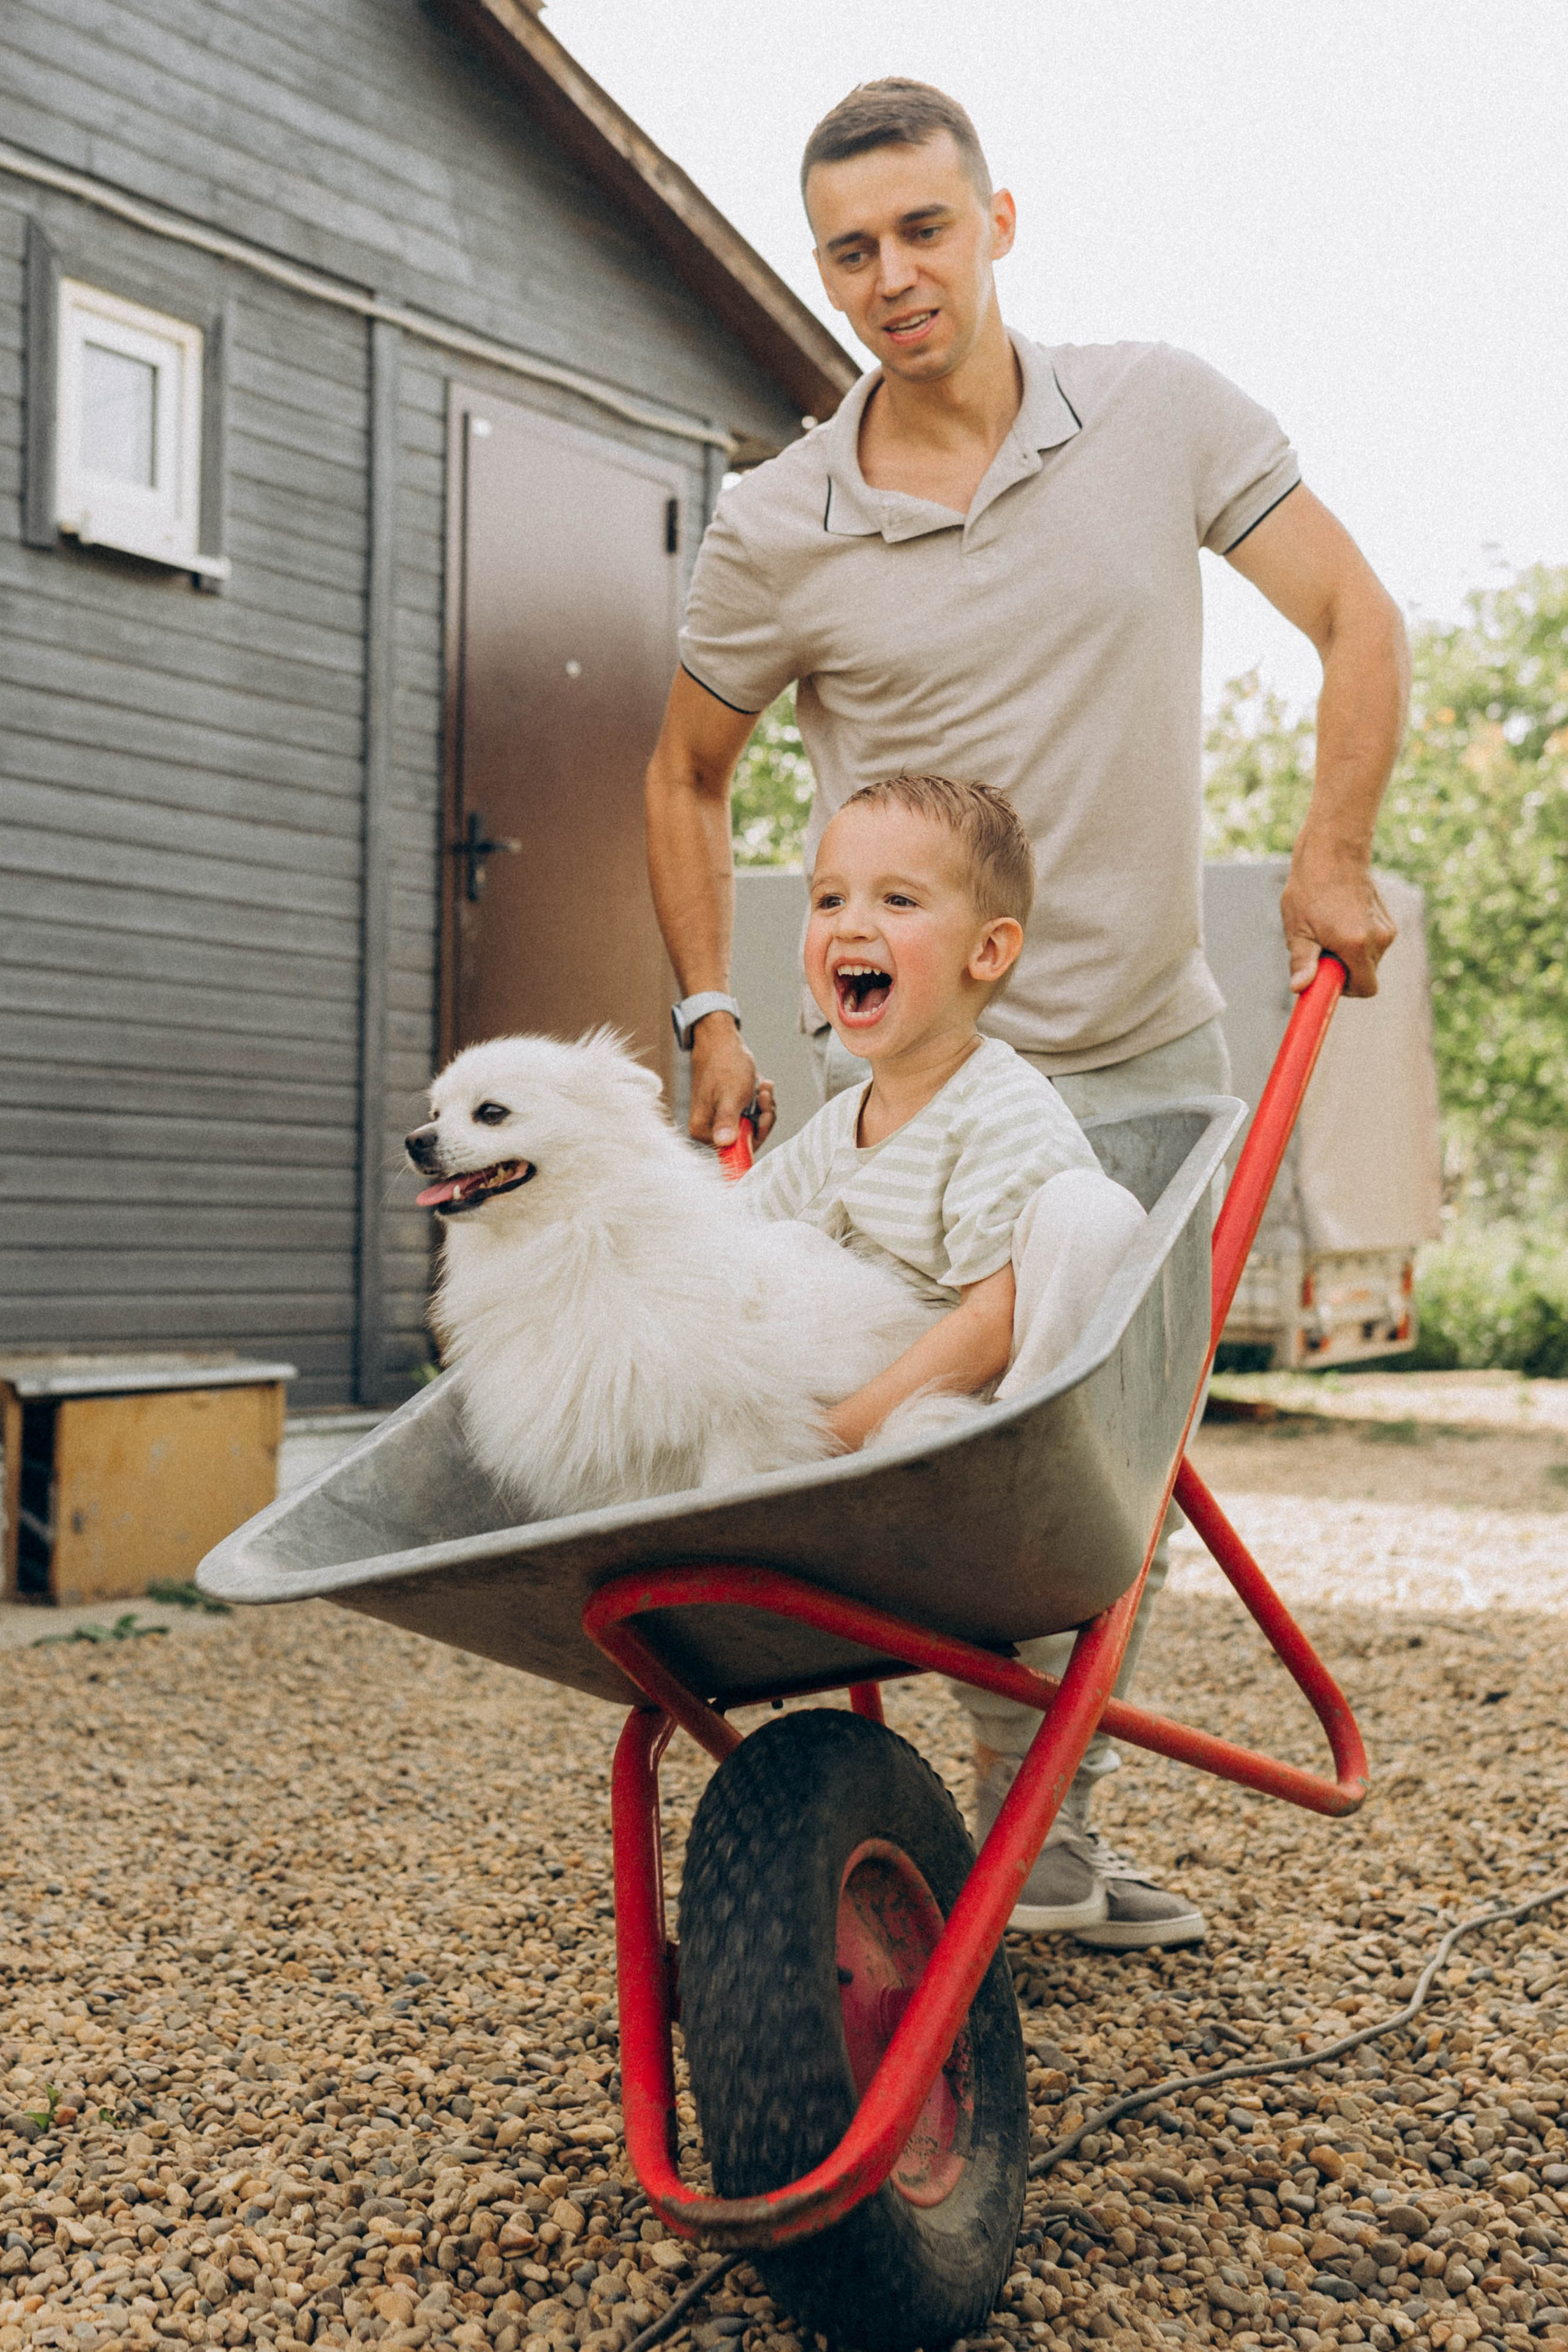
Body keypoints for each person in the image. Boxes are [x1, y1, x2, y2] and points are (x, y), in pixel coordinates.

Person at [644, 78, 1409, 1947]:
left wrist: (1327, 853)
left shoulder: (1157, 413)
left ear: (997, 221)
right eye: (847, 249)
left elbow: (1355, 616)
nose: (889, 277)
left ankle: (1038, 1847)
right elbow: (683, 777)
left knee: (1082, 1469)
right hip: (912, 1084)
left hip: (1140, 1057)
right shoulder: (778, 520)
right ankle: (960, 1832)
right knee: (935, 1462)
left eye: (921, 229)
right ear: (819, 269)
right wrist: (702, 1016)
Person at [740, 772, 1145, 1452]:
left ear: (985, 951)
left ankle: (1020, 1444)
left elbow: (991, 1325)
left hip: (957, 1417)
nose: (851, 924)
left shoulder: (998, 1110)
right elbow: (723, 1244)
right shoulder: (838, 1129)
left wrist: (833, 1438)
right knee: (772, 1246)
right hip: (848, 1406)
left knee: (1091, 1212)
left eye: (898, 900)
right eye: (829, 898)